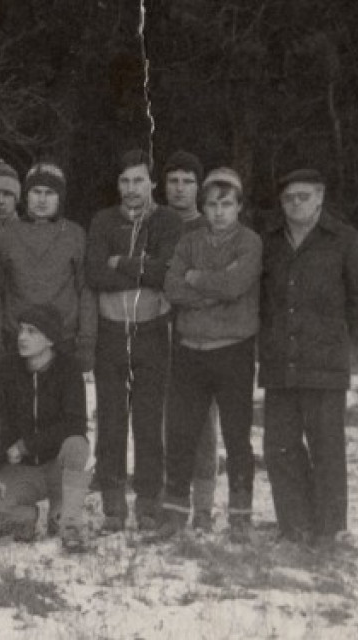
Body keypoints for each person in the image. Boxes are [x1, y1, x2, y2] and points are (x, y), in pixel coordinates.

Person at [260, 168, 358, 546]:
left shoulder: (343, 239)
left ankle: (329, 528)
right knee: (281, 445)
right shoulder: (271, 242)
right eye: (289, 198)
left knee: (326, 446)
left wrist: (337, 339)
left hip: (324, 363)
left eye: (304, 196)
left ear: (320, 197)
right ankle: (295, 525)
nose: (296, 204)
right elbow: (262, 300)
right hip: (280, 361)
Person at [161, 168, 261, 543]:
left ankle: (239, 516)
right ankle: (174, 513)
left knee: (237, 436)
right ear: (202, 207)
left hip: (233, 350)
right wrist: (212, 288)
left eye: (227, 204)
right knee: (182, 432)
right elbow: (172, 286)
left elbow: (237, 285)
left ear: (238, 206)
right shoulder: (189, 241)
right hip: (190, 351)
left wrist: (197, 279)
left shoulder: (249, 242)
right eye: (212, 205)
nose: (219, 212)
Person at [85, 149, 181, 532]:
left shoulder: (168, 221)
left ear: (152, 183)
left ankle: (147, 501)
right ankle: (113, 503)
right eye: (124, 181)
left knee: (147, 418)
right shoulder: (103, 220)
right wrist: (142, 268)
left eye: (138, 180)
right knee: (110, 418)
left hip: (151, 331)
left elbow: (167, 274)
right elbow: (94, 274)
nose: (131, 188)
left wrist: (120, 263)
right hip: (111, 331)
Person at [0, 305, 91, 552]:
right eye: (20, 330)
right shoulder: (7, 369)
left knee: (77, 444)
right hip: (22, 469)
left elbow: (75, 423)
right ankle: (27, 517)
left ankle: (66, 519)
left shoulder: (68, 369)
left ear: (50, 339)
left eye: (32, 331)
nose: (22, 337)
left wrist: (28, 445)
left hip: (57, 467)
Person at [162, 150, 219, 532]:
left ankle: (203, 507)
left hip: (201, 337)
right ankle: (169, 505)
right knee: (166, 425)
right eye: (173, 181)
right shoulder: (154, 224)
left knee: (201, 426)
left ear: (198, 188)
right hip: (157, 336)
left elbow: (213, 285)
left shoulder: (210, 227)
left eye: (187, 181)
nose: (179, 189)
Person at [0, 161, 96, 371]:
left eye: (49, 193)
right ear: (26, 196)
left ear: (60, 197)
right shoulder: (5, 236)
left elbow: (86, 291)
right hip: (17, 339)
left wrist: (86, 342)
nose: (41, 199)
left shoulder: (75, 234)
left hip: (64, 341)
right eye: (36, 192)